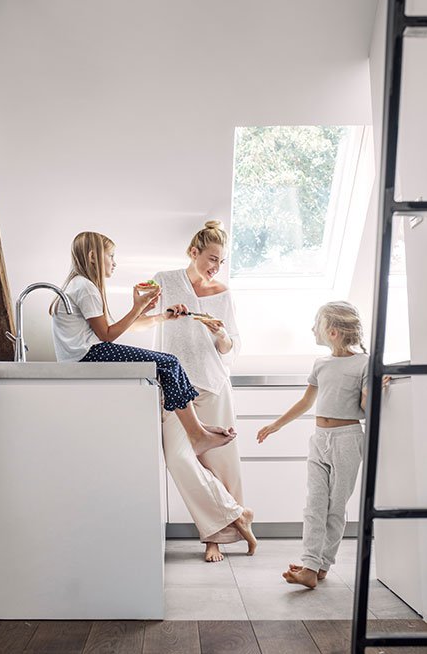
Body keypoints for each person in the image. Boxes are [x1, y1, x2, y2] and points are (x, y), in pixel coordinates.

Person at [50, 231, 236, 456]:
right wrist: (137, 307)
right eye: (110, 256)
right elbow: (107, 335)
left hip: (86, 354)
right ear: (92, 257)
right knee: (169, 363)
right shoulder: (86, 288)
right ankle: (197, 434)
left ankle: (197, 429)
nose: (114, 262)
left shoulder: (79, 285)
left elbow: (109, 328)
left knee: (169, 364)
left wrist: (157, 315)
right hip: (90, 355)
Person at [137, 220, 256, 562]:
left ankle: (214, 538)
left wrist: (221, 335)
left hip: (213, 383)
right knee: (180, 458)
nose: (216, 267)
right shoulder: (165, 280)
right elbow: (139, 322)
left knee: (220, 463)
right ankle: (237, 513)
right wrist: (163, 318)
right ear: (193, 252)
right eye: (212, 258)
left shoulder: (223, 293)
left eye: (221, 261)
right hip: (175, 388)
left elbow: (232, 345)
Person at [257, 301, 369, 589]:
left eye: (316, 325)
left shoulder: (364, 363)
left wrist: (378, 387)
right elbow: (306, 402)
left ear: (332, 332)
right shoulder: (320, 363)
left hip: (348, 439)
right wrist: (276, 424)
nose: (311, 330)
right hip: (319, 439)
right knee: (314, 504)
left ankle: (320, 566)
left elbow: (366, 406)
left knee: (335, 507)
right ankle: (311, 564)